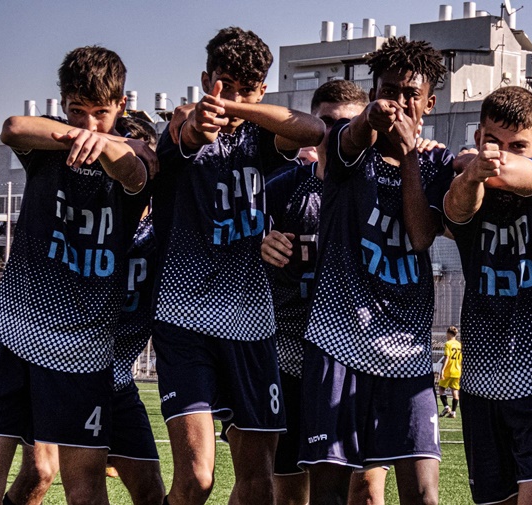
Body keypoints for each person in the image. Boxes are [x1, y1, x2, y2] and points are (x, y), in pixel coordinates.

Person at [152, 26, 324, 505]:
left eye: (246, 89)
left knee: (259, 482)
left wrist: (240, 108)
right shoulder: (184, 128)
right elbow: (185, 132)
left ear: (262, 91)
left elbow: (314, 130)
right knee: (196, 480)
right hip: (185, 319)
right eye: (223, 85)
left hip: (252, 324)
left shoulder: (258, 137)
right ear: (205, 79)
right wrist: (198, 117)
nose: (229, 99)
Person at [297, 36, 453, 505]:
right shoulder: (348, 148)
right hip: (337, 342)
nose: (398, 103)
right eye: (388, 91)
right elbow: (346, 139)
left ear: (429, 103)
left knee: (423, 495)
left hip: (408, 351)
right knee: (329, 495)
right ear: (373, 93)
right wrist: (367, 118)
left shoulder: (436, 162)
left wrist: (410, 156)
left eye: (411, 94)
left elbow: (421, 236)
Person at [0, 46, 151, 505]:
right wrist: (83, 136)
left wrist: (111, 145)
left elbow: (135, 174)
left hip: (82, 350)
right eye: (76, 110)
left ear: (121, 104)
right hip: (13, 331)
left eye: (100, 113)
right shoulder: (49, 148)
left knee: (85, 489)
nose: (88, 124)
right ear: (62, 103)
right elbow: (12, 127)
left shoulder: (136, 155)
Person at [444, 86, 532, 505]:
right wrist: (468, 172)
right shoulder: (466, 185)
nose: (500, 153)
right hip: (482, 385)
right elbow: (455, 211)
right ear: (477, 137)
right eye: (492, 141)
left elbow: (508, 171)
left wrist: (470, 162)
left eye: (517, 146)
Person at [260, 80, 378, 505]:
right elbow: (236, 247)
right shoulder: (281, 187)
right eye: (326, 122)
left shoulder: (383, 187)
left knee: (365, 491)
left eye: (348, 123)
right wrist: (258, 245)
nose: (335, 133)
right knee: (290, 494)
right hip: (291, 359)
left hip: (359, 357)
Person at [437, 326, 462, 418]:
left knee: (441, 389)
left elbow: (447, 357)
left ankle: (447, 407)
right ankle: (453, 412)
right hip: (457, 371)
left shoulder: (448, 344)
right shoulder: (459, 345)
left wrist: (442, 370)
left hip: (448, 370)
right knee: (455, 391)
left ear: (448, 333)